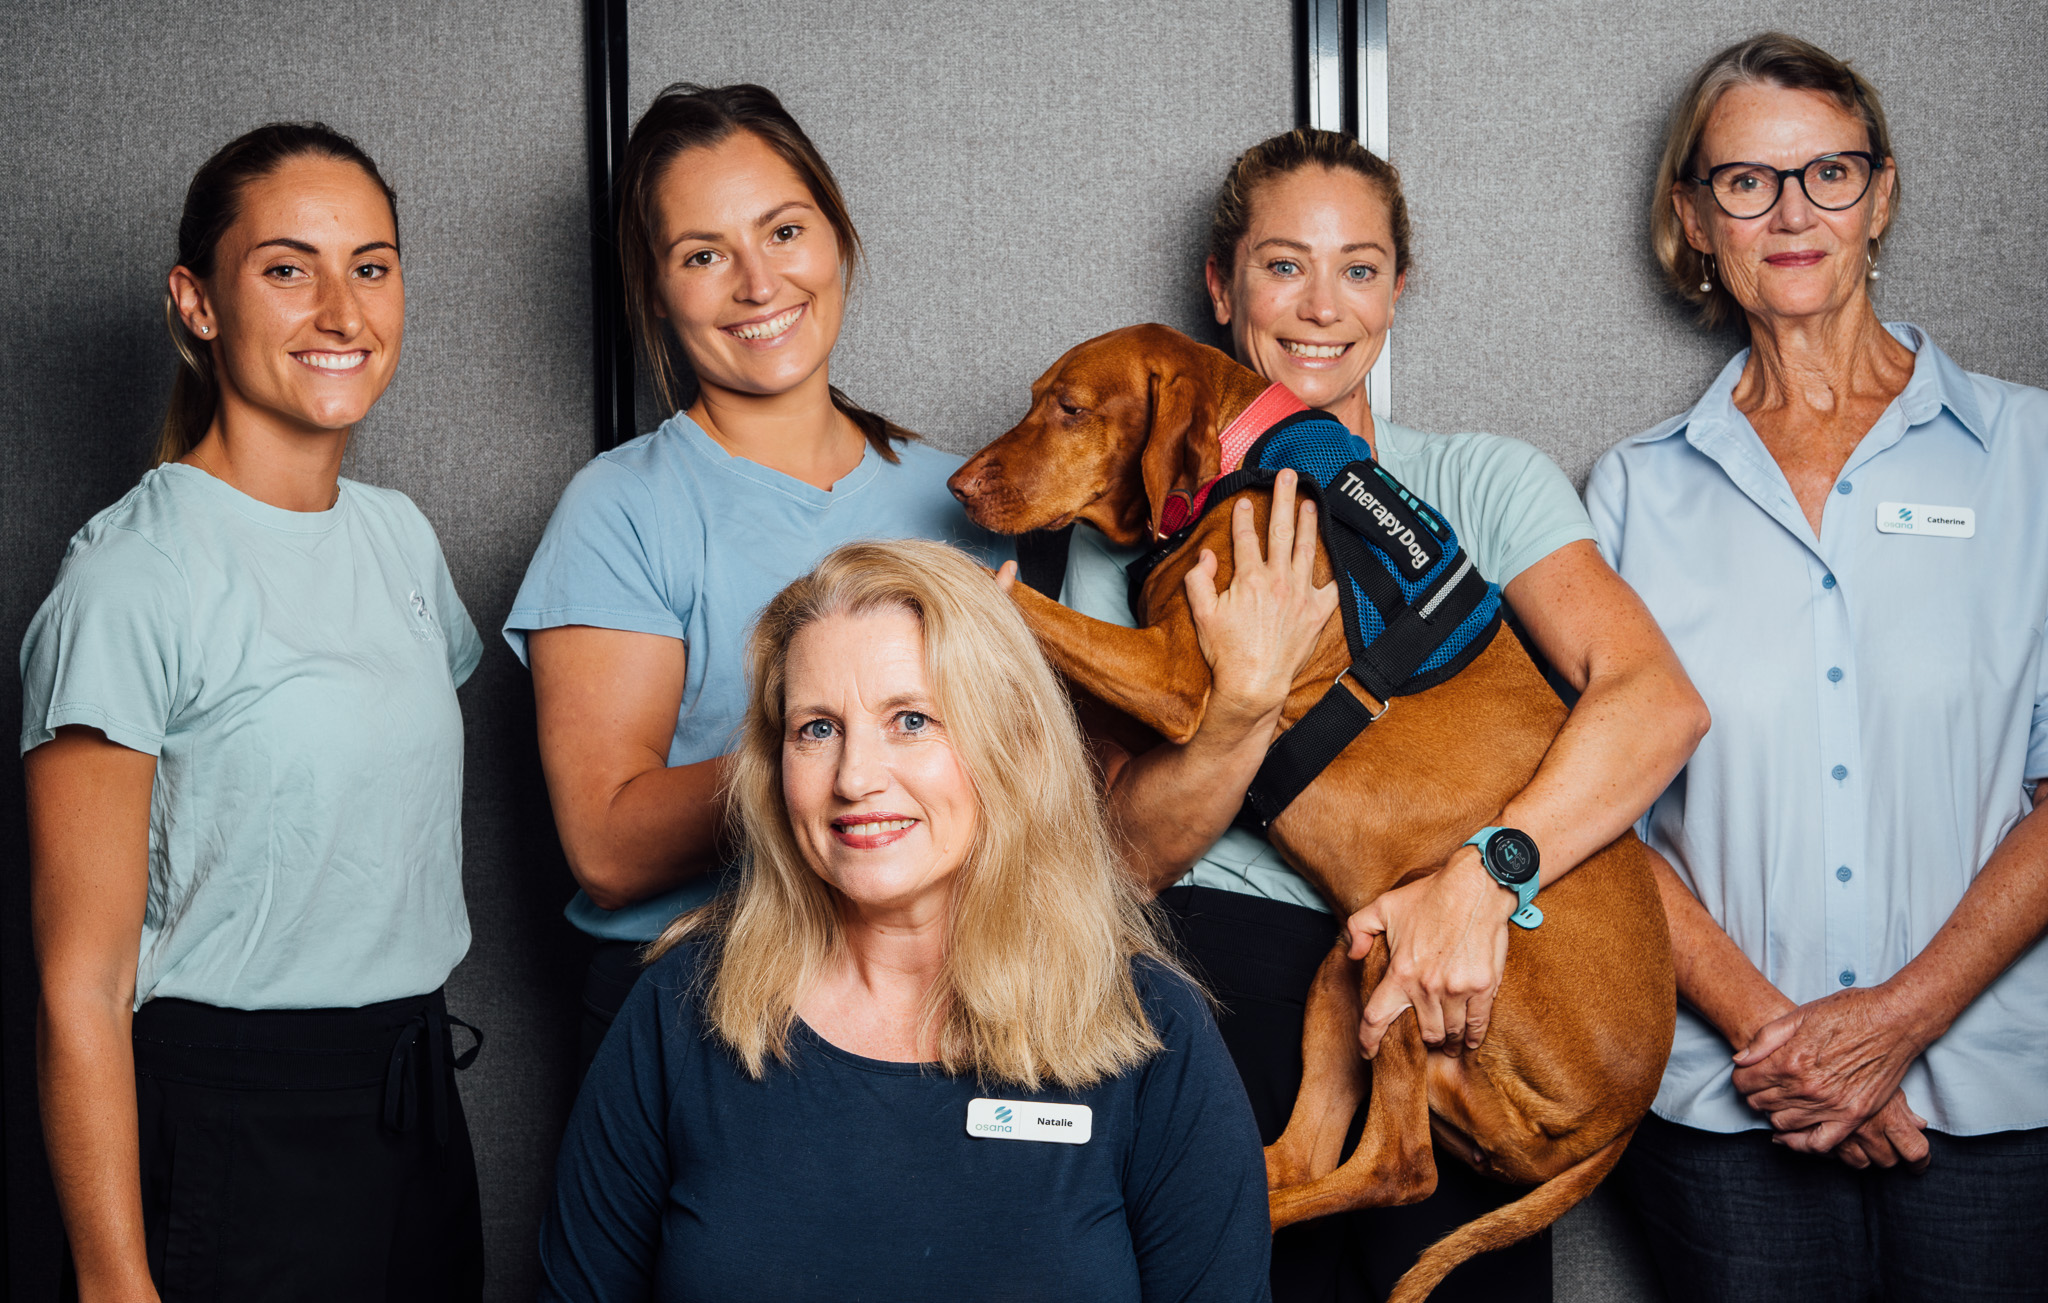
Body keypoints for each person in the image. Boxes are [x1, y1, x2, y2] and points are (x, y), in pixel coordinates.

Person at [1048, 127, 1708, 1302]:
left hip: (1465, 978)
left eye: (1356, 268)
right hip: (1224, 980)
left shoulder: (1481, 481)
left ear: (1397, 289)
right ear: (1220, 287)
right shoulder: (1142, 518)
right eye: (1280, 266)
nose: (1320, 307)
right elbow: (1122, 855)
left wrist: (1480, 879)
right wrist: (1245, 699)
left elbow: (1654, 703)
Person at [1588, 32, 2048, 1302]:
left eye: (1826, 173)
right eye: (1745, 182)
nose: (1790, 213)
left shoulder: (2032, 454)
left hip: (1992, 1095)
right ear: (1694, 217)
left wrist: (1897, 1020)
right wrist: (1779, 1041)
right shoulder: (1632, 492)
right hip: (1732, 1104)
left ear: (1878, 194)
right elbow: (1600, 823)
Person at [539, 539, 1271, 1301]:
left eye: (912, 719)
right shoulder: (681, 1006)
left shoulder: (1151, 1026)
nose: (855, 777)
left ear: (1015, 742)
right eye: (817, 729)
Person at [21, 123, 485, 1302]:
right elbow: (82, 988)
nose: (341, 310)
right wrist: (113, 1281)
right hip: (236, 1127)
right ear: (199, 304)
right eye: (288, 268)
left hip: (416, 1106)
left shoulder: (399, 538)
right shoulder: (130, 579)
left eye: (370, 266)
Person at [505, 84, 1006, 1063]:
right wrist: (845, 750)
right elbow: (607, 849)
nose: (758, 281)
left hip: (941, 1006)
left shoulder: (969, 500)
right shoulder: (621, 508)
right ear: (655, 292)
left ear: (837, 235)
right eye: (703, 255)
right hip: (696, 1006)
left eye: (783, 231)